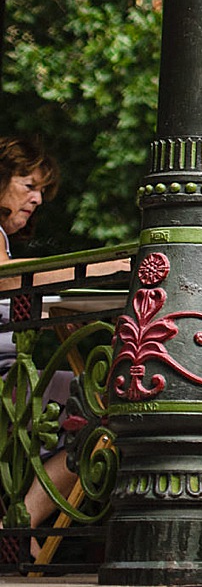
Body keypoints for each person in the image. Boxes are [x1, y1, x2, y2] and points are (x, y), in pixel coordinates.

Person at [0, 136, 131, 534]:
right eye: (29, 184)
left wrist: (53, 312)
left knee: (105, 409)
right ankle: (18, 528)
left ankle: (16, 525)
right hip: (7, 384)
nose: (37, 198)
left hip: (12, 379)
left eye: (41, 190)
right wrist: (98, 268)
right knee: (109, 408)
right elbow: (8, 280)